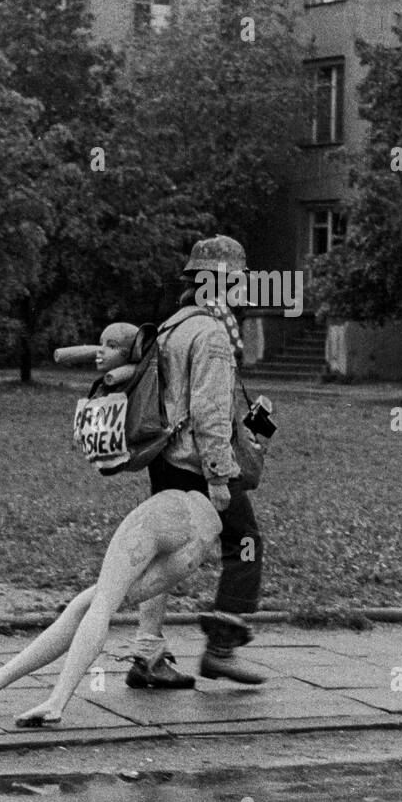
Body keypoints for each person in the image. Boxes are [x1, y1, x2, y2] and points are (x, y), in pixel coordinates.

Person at [125, 235, 269, 689]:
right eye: (238, 282)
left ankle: (147, 655)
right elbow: (209, 412)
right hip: (196, 463)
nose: (243, 290)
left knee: (164, 550)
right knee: (244, 543)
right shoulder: (211, 333)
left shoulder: (173, 325)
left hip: (164, 455)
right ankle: (221, 649)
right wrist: (220, 476)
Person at [0, 489, 221, 725]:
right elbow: (226, 496)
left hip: (164, 514)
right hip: (201, 537)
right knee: (93, 603)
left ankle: (54, 702)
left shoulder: (201, 435)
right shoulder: (242, 445)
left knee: (99, 605)